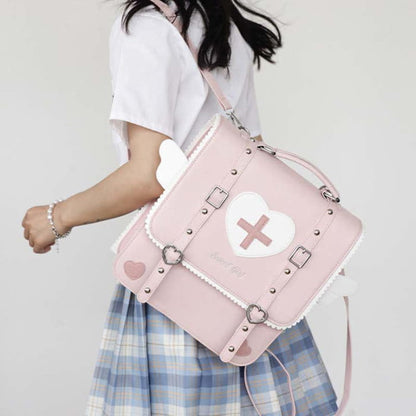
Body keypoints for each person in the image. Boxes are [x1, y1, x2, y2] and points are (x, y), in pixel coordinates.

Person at [21, 0, 339, 414]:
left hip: (177, 272)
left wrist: (57, 217)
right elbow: (255, 157)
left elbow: (149, 175)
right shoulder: (223, 21)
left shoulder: (146, 27)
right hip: (251, 286)